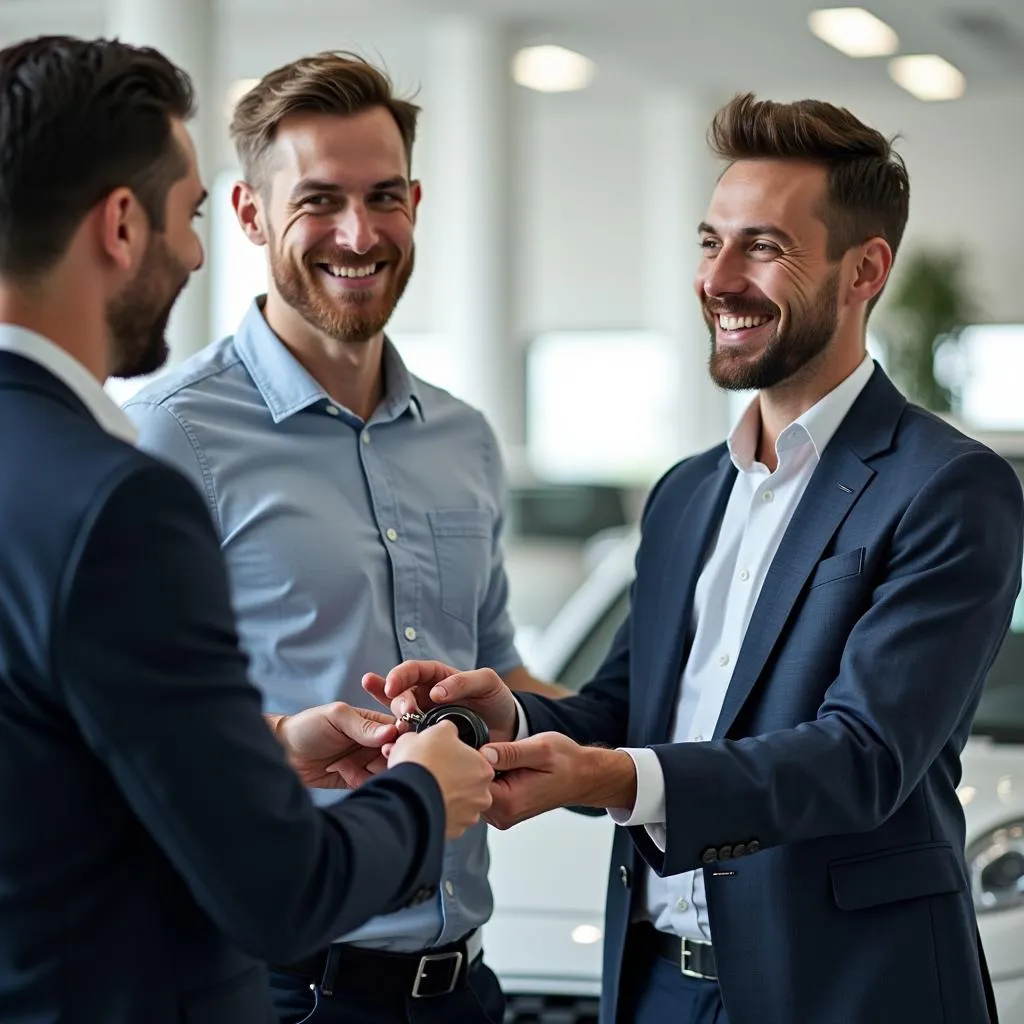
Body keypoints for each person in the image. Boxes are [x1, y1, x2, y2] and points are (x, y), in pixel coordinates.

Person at [381, 93, 1024, 1024]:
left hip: (845, 990)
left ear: (864, 271)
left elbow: (862, 758)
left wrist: (611, 778)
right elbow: (626, 707)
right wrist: (509, 710)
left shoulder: (946, 486)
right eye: (708, 242)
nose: (719, 279)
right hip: (654, 985)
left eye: (762, 247)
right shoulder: (686, 493)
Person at [0, 35, 497, 1024]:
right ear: (123, 223)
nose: (193, 255)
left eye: (385, 195)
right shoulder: (126, 478)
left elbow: (72, 742)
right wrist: (425, 794)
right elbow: (278, 886)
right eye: (190, 216)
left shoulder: (465, 437)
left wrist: (268, 743)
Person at [123, 51, 564, 1024]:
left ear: (416, 200)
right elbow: (130, 732)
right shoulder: (170, 433)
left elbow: (504, 677)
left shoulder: (464, 438)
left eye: (384, 196)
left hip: (461, 989)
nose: (358, 234)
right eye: (319, 200)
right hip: (273, 987)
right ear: (247, 214)